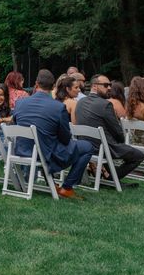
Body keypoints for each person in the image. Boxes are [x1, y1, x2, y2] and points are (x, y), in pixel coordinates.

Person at [14, 69, 92, 199]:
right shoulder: (58, 107)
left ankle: (55, 183)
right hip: (45, 153)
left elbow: (16, 125)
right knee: (88, 147)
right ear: (53, 86)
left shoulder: (20, 103)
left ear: (36, 83)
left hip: (22, 150)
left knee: (46, 140)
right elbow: (66, 138)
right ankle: (67, 187)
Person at [75, 74, 144, 182]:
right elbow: (117, 132)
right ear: (94, 86)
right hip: (102, 148)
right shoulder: (105, 105)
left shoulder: (80, 102)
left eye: (110, 85)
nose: (109, 88)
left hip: (84, 145)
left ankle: (105, 173)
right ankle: (111, 178)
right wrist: (120, 141)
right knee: (138, 155)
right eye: (106, 85)